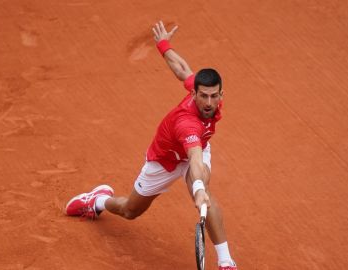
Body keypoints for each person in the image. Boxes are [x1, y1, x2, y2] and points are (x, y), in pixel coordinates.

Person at [65, 21, 238, 270]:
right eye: (203, 96)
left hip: (195, 150)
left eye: (214, 96)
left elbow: (182, 70)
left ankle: (225, 262)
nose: (209, 102)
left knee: (205, 194)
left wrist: (163, 45)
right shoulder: (187, 123)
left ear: (221, 95)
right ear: (194, 96)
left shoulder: (205, 94)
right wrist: (198, 186)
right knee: (130, 210)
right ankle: (98, 201)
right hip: (166, 159)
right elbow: (196, 157)